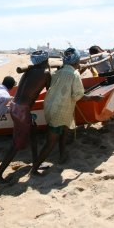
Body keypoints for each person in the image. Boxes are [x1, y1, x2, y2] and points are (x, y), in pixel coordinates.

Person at [0, 50, 52, 183]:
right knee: (16, 145)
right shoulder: (46, 73)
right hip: (22, 110)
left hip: (14, 106)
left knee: (33, 131)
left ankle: (36, 163)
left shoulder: (28, 71)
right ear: (45, 61)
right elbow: (50, 90)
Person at [30, 47, 85, 175]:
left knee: (64, 131)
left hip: (50, 107)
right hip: (60, 110)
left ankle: (62, 155)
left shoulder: (57, 73)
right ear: (76, 62)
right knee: (51, 141)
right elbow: (77, 95)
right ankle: (34, 169)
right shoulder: (74, 74)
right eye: (79, 62)